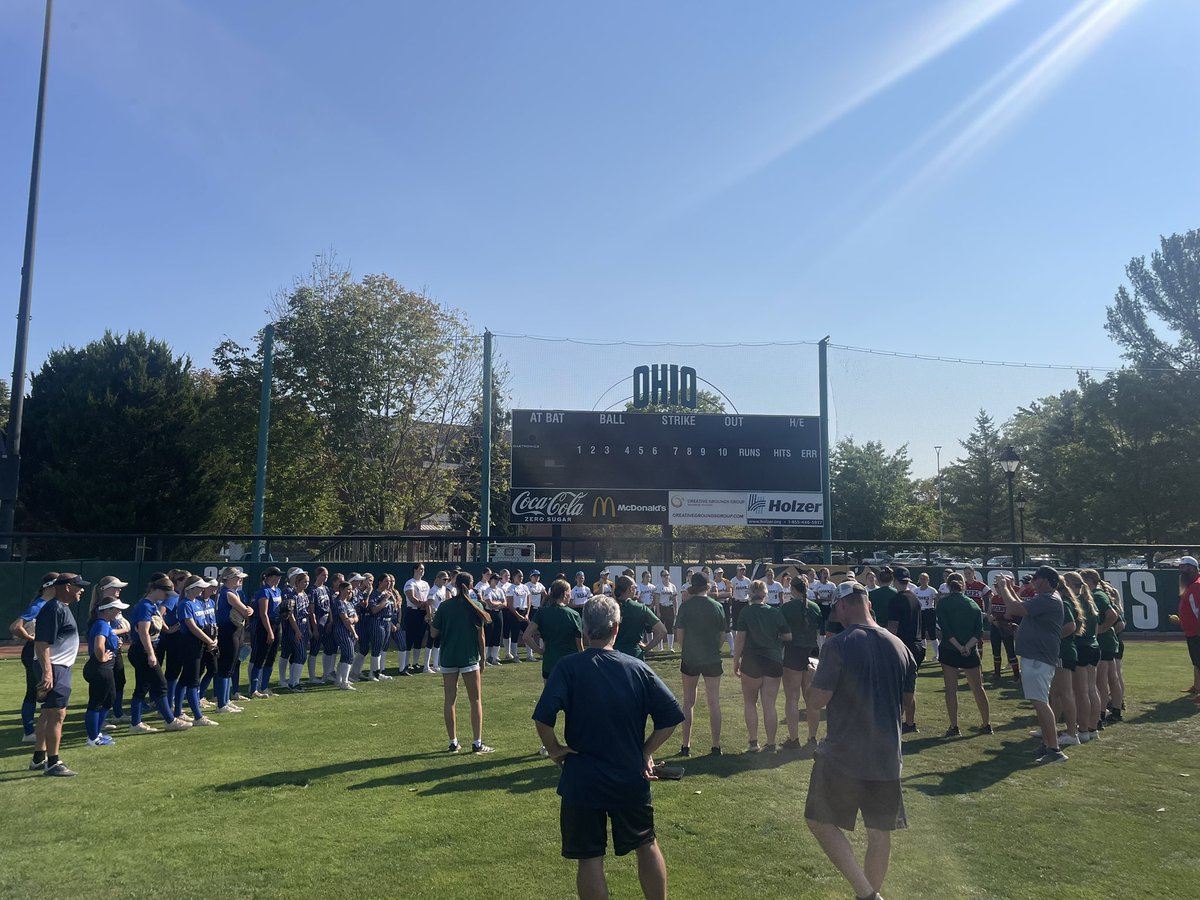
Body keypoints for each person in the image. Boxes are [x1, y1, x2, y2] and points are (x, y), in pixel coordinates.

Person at [532, 595, 684, 900]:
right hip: (629, 774)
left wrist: (554, 749)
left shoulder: (568, 667)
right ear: (616, 628)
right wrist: (645, 750)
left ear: (586, 629)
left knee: (590, 858)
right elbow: (671, 715)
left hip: (583, 778)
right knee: (646, 843)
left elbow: (543, 718)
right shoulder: (636, 668)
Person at [804, 579, 917, 900]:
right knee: (879, 833)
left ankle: (868, 895)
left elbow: (817, 700)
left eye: (836, 608)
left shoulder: (838, 644)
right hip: (887, 755)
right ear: (868, 604)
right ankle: (868, 895)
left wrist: (812, 677)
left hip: (844, 754)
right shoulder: (900, 646)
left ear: (843, 605)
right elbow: (908, 701)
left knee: (818, 821)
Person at [995, 568, 1068, 764]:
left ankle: (1054, 749)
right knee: (1039, 701)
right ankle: (1047, 744)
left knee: (1040, 702)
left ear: (1046, 581)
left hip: (1039, 658)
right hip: (1037, 656)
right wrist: (1009, 588)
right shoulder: (1046, 597)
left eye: (1036, 578)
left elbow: (1015, 608)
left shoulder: (1048, 598)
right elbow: (1014, 608)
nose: (1033, 582)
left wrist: (1004, 587)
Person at [30, 573, 89, 776]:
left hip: (57, 666)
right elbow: (42, 643)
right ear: (66, 587)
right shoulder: (55, 608)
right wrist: (48, 673)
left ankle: (39, 758)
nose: (82, 589)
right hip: (55, 667)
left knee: (48, 712)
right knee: (58, 713)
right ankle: (53, 763)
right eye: (78, 586)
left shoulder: (61, 608)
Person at [430, 572, 494, 753]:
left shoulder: (444, 606)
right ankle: (477, 743)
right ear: (471, 585)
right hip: (469, 657)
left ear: (455, 585)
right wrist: (482, 658)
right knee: (475, 700)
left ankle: (453, 742)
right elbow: (481, 637)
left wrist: (430, 620)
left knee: (449, 700)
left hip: (449, 657)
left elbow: (434, 633)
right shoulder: (476, 606)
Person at [524, 578, 585, 756]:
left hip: (550, 665)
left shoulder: (542, 613)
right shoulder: (573, 615)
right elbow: (580, 646)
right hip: (571, 666)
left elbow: (527, 636)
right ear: (566, 594)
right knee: (573, 707)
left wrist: (541, 650)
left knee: (549, 707)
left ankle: (547, 745)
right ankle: (574, 743)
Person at [734, 579, 791, 752]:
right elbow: (788, 636)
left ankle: (753, 742)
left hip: (752, 659)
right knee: (769, 704)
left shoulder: (745, 612)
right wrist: (775, 639)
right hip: (773, 659)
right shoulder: (774, 612)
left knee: (750, 703)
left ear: (750, 594)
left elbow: (740, 639)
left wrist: (736, 661)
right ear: (766, 594)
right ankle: (771, 743)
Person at [674, 571, 725, 757]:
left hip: (691, 658)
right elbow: (722, 636)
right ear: (708, 586)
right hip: (712, 658)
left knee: (688, 701)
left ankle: (685, 745)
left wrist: (689, 649)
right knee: (714, 702)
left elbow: (680, 637)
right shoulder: (717, 606)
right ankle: (716, 746)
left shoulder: (686, 607)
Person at [935, 574, 992, 737]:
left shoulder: (943, 603)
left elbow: (945, 629)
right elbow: (978, 632)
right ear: (963, 586)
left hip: (949, 649)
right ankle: (986, 723)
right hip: (971, 650)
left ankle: (954, 726)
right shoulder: (973, 604)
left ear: (948, 585)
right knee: (978, 688)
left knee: (951, 689)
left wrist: (959, 646)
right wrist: (966, 646)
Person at [9, 572, 58, 743]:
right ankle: (29, 732)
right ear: (51, 586)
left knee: (43, 691)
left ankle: (36, 730)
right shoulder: (40, 605)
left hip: (39, 650)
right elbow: (15, 627)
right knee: (35, 691)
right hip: (34, 651)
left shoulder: (49, 604)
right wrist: (33, 638)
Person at [83, 579, 128, 747]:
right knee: (97, 702)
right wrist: (102, 657)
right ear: (107, 610)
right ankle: (93, 738)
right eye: (116, 609)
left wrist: (116, 643)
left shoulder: (105, 623)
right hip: (101, 668)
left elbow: (107, 639)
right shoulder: (101, 624)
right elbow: (99, 644)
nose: (118, 612)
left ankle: (97, 732)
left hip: (102, 667)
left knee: (109, 699)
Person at [781, 574, 823, 754]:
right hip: (812, 652)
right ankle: (812, 737)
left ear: (792, 589)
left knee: (792, 698)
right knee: (811, 699)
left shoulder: (787, 608)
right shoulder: (815, 607)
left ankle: (793, 738)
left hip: (793, 652)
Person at [1063, 570, 1102, 741]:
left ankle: (1084, 730)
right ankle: (1093, 728)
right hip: (1093, 646)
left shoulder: (1075, 601)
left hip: (1082, 647)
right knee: (1091, 689)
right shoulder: (1089, 599)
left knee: (1081, 692)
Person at [176, 575, 220, 726]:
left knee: (185, 678)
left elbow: (206, 624)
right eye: (200, 587)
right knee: (193, 680)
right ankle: (198, 716)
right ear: (191, 588)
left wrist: (212, 639)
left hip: (199, 643)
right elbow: (192, 626)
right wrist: (209, 641)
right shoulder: (185, 604)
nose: (203, 589)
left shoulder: (197, 603)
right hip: (190, 644)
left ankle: (178, 712)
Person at [886, 567, 923, 734]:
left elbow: (893, 627)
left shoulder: (896, 600)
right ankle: (910, 722)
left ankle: (897, 723)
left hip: (902, 646)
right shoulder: (914, 598)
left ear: (895, 580)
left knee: (898, 689)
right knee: (910, 687)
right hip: (917, 646)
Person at [214, 566, 252, 712]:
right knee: (226, 668)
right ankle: (222, 704)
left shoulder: (229, 592)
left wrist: (248, 610)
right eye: (238, 577)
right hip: (229, 631)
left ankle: (226, 700)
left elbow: (247, 610)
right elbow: (246, 611)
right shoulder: (229, 593)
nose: (240, 580)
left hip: (233, 631)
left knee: (229, 667)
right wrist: (248, 610)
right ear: (229, 579)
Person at [614, 575, 667, 660]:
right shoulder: (640, 608)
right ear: (630, 589)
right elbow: (662, 631)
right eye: (635, 587)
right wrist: (646, 648)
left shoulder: (608, 606)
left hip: (613, 655)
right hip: (634, 655)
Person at [249, 566, 284, 697]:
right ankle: (253, 689)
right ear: (269, 577)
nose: (279, 578)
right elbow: (263, 614)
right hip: (264, 626)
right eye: (277, 575)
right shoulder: (264, 591)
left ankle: (264, 687)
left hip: (276, 624)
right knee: (260, 657)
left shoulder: (278, 590)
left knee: (271, 657)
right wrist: (269, 631)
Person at [280, 568, 315, 688]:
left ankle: (294, 681)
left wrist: (309, 629)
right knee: (300, 655)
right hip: (296, 626)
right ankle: (294, 683)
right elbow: (291, 615)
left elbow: (307, 613)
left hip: (304, 626)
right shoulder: (292, 595)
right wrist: (297, 630)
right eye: (304, 582)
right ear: (297, 582)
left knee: (299, 655)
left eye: (308, 581)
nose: (306, 584)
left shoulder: (304, 594)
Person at [1171, 555, 1200, 696]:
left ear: (1192, 567)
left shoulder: (1196, 585)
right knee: (1196, 661)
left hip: (1197, 632)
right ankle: (1197, 686)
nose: (1181, 570)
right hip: (1192, 631)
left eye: (1183, 567)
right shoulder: (1191, 585)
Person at [986, 572, 1020, 681]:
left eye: (998, 586)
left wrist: (996, 619)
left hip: (1006, 626)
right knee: (996, 651)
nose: (996, 588)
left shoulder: (1007, 598)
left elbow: (1008, 614)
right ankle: (997, 673)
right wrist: (991, 618)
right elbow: (989, 612)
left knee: (1010, 651)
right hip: (995, 627)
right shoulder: (994, 598)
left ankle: (1016, 675)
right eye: (995, 586)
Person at [331, 578, 360, 690]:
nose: (350, 592)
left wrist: (353, 620)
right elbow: (345, 620)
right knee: (349, 655)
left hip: (349, 630)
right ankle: (345, 682)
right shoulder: (339, 603)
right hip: (342, 631)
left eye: (351, 590)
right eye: (348, 589)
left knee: (346, 655)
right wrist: (354, 632)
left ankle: (340, 680)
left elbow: (355, 617)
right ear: (341, 590)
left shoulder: (349, 603)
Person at [403, 564, 432, 673]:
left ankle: (415, 663)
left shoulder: (425, 583)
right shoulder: (410, 583)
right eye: (420, 569)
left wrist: (426, 607)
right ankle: (406, 663)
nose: (422, 571)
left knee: (419, 638)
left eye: (423, 569)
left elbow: (429, 598)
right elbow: (413, 599)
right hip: (413, 611)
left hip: (422, 612)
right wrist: (424, 603)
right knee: (410, 637)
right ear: (415, 569)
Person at [505, 569, 533, 662]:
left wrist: (527, 614)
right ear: (514, 577)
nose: (521, 578)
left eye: (521, 576)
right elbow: (509, 604)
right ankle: (515, 656)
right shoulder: (511, 588)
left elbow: (529, 601)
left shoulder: (525, 587)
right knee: (515, 634)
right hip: (514, 613)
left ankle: (530, 655)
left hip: (524, 612)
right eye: (519, 576)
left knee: (528, 634)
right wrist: (517, 615)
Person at [481, 572, 508, 666]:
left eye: (498, 579)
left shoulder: (500, 590)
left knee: (497, 634)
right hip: (490, 613)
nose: (497, 581)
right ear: (491, 580)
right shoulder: (487, 590)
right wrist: (498, 603)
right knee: (488, 635)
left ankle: (494, 657)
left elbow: (505, 604)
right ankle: (486, 658)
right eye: (495, 579)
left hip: (499, 613)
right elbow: (490, 604)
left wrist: (497, 604)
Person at [913, 571, 939, 658]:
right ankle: (923, 654)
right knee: (921, 634)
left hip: (929, 611)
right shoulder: (916, 590)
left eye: (924, 578)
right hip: (920, 612)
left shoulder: (931, 590)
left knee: (932, 633)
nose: (922, 580)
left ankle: (937, 654)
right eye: (921, 578)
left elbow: (936, 600)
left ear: (928, 580)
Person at [809, 568, 836, 644]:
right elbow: (817, 599)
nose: (825, 575)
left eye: (827, 573)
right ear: (820, 575)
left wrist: (823, 598)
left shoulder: (832, 585)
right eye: (824, 573)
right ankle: (821, 646)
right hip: (820, 607)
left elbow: (833, 597)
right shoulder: (817, 585)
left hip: (829, 608)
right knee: (821, 628)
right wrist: (827, 598)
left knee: (829, 627)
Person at [653, 569, 678, 651]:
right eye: (664, 575)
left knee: (670, 627)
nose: (666, 577)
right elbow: (657, 599)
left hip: (670, 607)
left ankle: (670, 647)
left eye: (667, 575)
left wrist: (676, 609)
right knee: (661, 628)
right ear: (661, 577)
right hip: (662, 607)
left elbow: (675, 599)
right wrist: (658, 611)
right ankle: (661, 648)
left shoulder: (672, 586)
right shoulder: (659, 586)